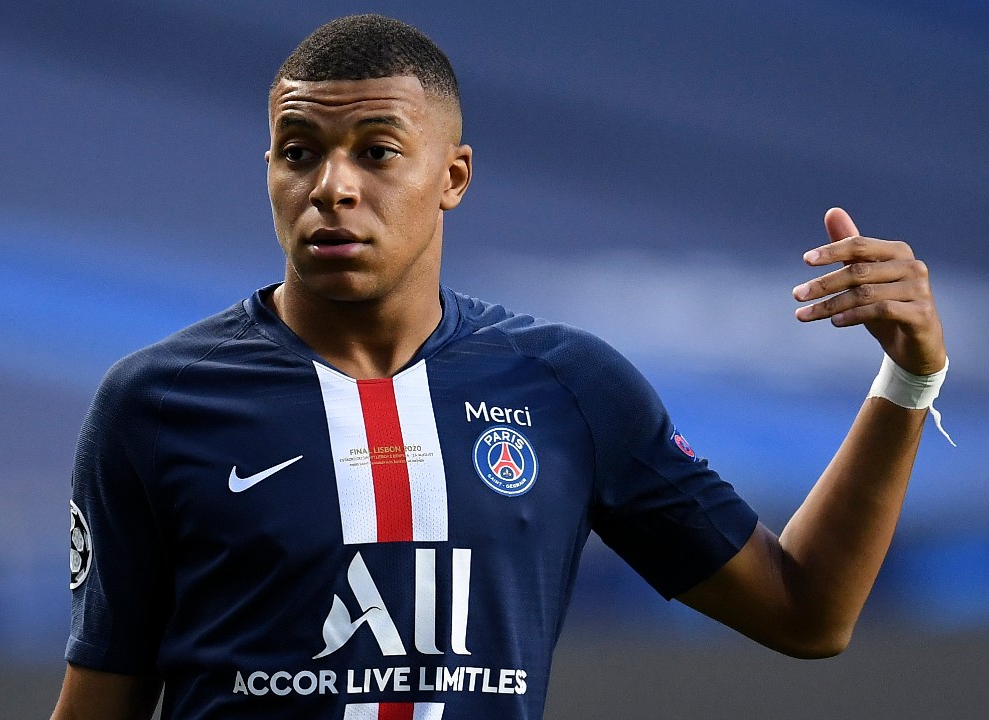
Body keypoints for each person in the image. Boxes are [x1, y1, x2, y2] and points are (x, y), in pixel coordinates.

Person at [50, 14, 948, 720]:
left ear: (455, 175)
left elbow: (806, 611)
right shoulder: (156, 403)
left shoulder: (567, 389)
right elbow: (98, 705)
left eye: (376, 151)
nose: (332, 186)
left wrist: (909, 379)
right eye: (299, 152)